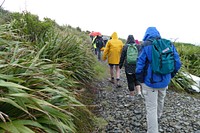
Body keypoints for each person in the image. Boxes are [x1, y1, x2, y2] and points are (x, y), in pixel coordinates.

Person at [136, 27, 182, 133]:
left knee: (151, 107)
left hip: (150, 82)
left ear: (146, 34)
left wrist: (140, 80)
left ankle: (153, 130)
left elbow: (140, 65)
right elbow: (177, 63)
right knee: (160, 100)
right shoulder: (168, 44)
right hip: (165, 81)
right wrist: (170, 76)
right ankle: (157, 118)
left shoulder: (146, 45)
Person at [119, 35, 142, 100]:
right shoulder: (138, 46)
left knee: (130, 81)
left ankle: (132, 96)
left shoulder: (125, 47)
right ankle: (139, 92)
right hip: (137, 66)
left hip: (128, 66)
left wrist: (120, 65)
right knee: (136, 79)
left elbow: (122, 57)